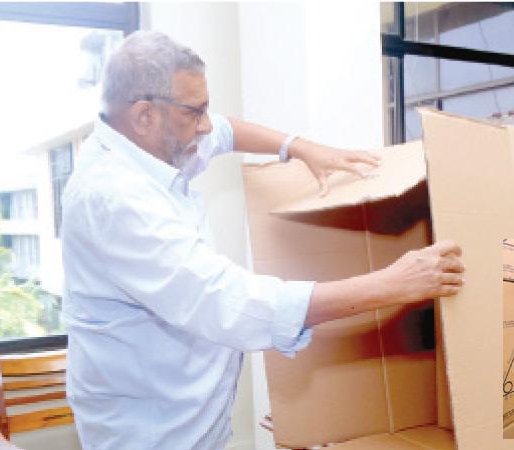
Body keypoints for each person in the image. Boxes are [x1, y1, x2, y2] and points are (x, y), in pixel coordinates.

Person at [60, 31, 464, 450]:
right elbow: (229, 302)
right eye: (195, 112)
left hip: (191, 415)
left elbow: (226, 131)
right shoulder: (113, 198)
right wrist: (392, 284)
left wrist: (301, 147)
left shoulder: (149, 146)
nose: (204, 125)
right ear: (144, 115)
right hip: (150, 432)